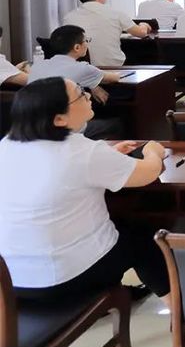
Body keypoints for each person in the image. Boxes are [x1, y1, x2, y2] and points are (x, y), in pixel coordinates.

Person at [0, 77, 170, 303]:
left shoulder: (6, 145)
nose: (88, 95)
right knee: (144, 238)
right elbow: (148, 173)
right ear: (59, 118)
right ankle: (178, 310)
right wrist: (153, 151)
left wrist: (110, 157)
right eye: (80, 94)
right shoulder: (83, 152)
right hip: (63, 280)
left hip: (12, 282)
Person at [63, 0, 150, 67]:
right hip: (113, 66)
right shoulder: (115, 13)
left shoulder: (68, 17)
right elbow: (141, 33)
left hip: (81, 68)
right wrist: (144, 25)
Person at [28, 25, 120, 104]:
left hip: (36, 117)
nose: (87, 44)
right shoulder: (83, 68)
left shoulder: (37, 66)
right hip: (66, 117)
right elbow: (114, 77)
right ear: (77, 47)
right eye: (86, 41)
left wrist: (92, 83)